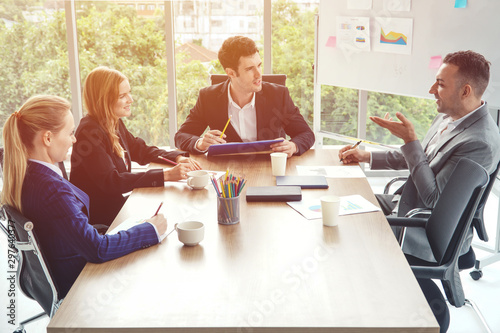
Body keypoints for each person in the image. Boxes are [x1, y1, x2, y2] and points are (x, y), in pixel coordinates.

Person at [339, 50, 500, 262]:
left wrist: (410, 141)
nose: (431, 90)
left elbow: (434, 201)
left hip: (425, 230)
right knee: (341, 207)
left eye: (441, 84)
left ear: (465, 91)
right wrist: (365, 156)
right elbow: (422, 159)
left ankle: (422, 293)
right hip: (405, 204)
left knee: (348, 233)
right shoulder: (449, 117)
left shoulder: (479, 143)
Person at [1, 95, 167, 297]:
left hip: (60, 269)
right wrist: (149, 230)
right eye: (70, 133)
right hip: (80, 281)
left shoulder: (27, 173)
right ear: (47, 138)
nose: (74, 139)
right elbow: (97, 249)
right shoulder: (51, 189)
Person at [71, 66, 202, 227]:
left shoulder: (113, 122)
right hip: (102, 218)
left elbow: (141, 150)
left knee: (175, 208)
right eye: (122, 96)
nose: (130, 100)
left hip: (117, 207)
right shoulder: (89, 132)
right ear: (104, 99)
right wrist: (166, 175)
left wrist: (177, 157)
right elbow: (111, 181)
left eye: (129, 93)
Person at [174, 36, 315, 157]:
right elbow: (181, 136)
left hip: (269, 173)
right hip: (228, 176)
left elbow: (306, 134)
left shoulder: (279, 95)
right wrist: (200, 143)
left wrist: (293, 146)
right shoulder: (208, 97)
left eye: (259, 65)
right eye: (249, 69)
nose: (259, 74)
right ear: (231, 73)